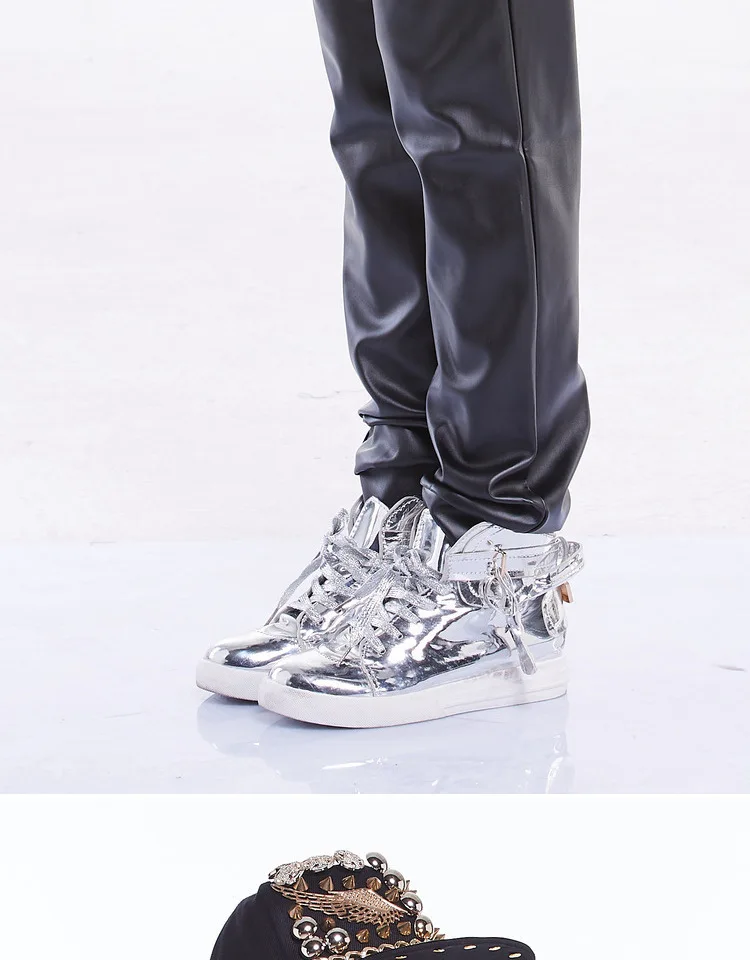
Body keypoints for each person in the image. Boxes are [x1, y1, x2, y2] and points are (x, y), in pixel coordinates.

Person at [196, 0, 590, 728]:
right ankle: (405, 518)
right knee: (377, 130)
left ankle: (495, 551)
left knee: (477, 127)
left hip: (499, 534)